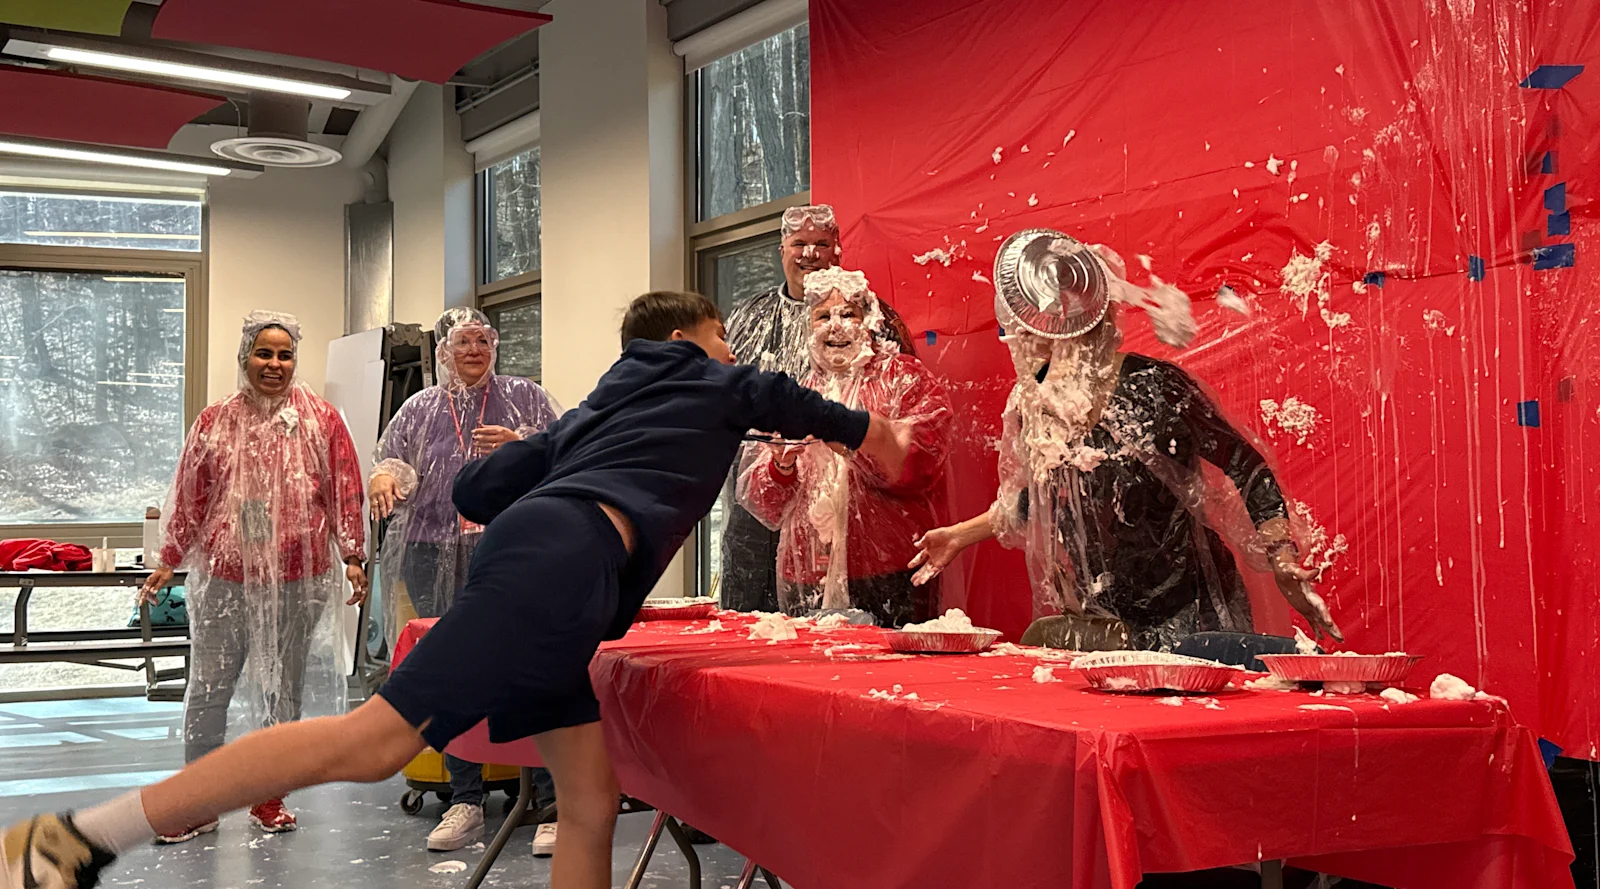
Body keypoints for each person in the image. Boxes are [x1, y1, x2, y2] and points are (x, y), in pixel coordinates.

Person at [1, 290, 914, 889]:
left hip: (557, 566)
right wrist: (887, 439)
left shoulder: (597, 407)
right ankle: (77, 837)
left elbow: (478, 492)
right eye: (719, 339)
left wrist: (528, 451)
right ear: (685, 340)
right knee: (371, 744)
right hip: (564, 564)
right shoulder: (708, 377)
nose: (728, 352)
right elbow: (811, 410)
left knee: (588, 799)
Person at [910, 239, 1343, 650]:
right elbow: (1040, 500)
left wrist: (1281, 559)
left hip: (1192, 608)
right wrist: (959, 536)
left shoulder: (1153, 390)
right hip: (1108, 614)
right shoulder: (1036, 403)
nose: (1017, 347)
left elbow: (1247, 468)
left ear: (1062, 331)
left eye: (1023, 335)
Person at [136, 310, 368, 842]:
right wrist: (169, 557)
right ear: (245, 357)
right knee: (210, 686)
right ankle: (198, 801)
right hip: (228, 578)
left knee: (283, 691)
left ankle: (269, 797)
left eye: (285, 355)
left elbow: (344, 490)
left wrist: (353, 555)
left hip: (298, 578)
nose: (275, 364)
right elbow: (191, 496)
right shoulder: (215, 420)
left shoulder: (321, 420)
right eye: (264, 353)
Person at [369, 307, 562, 854]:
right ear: (443, 351)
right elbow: (390, 461)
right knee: (453, 670)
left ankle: (550, 803)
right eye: (462, 342)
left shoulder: (525, 397)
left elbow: (566, 455)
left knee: (528, 667)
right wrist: (382, 478)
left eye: (482, 340)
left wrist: (520, 446)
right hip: (430, 550)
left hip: (511, 546)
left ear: (494, 346)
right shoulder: (420, 407)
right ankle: (465, 800)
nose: (474, 350)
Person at [718, 204, 918, 614]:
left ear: (838, 250)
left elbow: (903, 421)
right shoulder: (749, 319)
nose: (809, 254)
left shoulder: (877, 318)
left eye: (821, 244)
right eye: (799, 243)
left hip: (855, 513)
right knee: (758, 622)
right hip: (759, 505)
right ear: (782, 250)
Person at [738, 267, 951, 627]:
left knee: (889, 665)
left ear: (868, 321)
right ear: (809, 327)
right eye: (822, 316)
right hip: (808, 574)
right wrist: (781, 466)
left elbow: (921, 465)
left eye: (847, 314)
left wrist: (849, 440)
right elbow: (764, 504)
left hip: (889, 569)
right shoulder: (798, 393)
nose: (834, 326)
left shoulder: (905, 378)